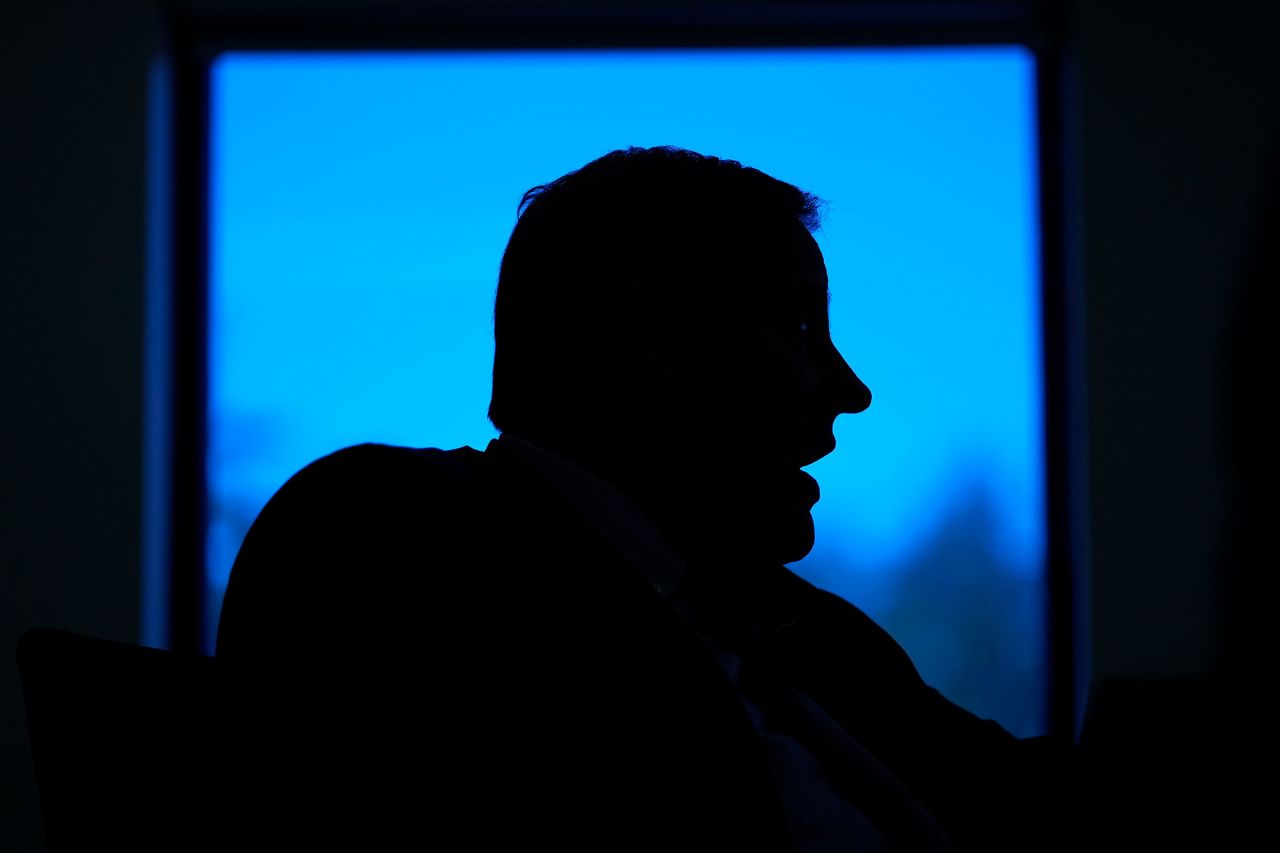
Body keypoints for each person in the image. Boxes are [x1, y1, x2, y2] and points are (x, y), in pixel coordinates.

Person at [216, 146, 1070, 850]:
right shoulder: (384, 536)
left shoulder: (805, 630)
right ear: (651, 344)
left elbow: (1016, 797)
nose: (850, 388)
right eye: (800, 329)